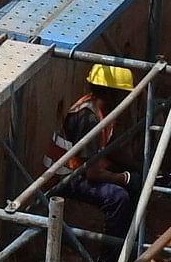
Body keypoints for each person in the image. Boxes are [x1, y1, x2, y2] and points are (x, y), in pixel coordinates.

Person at [57, 63, 142, 218]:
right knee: (118, 197)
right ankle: (115, 241)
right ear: (111, 93)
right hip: (65, 179)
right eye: (123, 93)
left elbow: (110, 148)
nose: (127, 99)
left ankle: (132, 233)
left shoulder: (102, 110)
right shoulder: (89, 119)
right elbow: (92, 173)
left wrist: (139, 169)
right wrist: (126, 178)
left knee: (137, 180)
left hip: (81, 172)